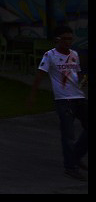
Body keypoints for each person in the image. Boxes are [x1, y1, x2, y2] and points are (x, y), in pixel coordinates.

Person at [27, 25, 88, 180]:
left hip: (79, 97)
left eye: (70, 38)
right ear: (57, 39)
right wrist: (32, 96)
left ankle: (75, 155)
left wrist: (83, 82)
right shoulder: (50, 56)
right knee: (68, 134)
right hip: (63, 100)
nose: (68, 42)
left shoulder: (74, 54)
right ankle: (70, 167)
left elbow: (77, 74)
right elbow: (39, 76)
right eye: (65, 39)